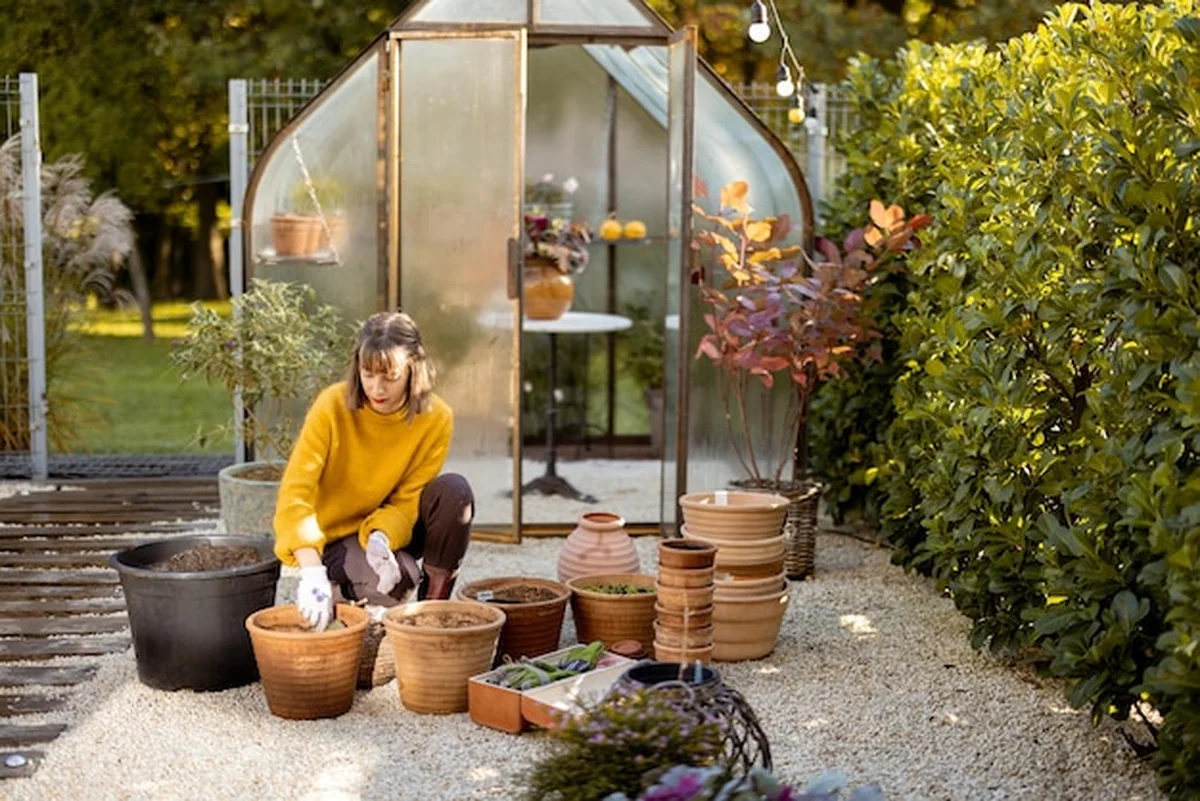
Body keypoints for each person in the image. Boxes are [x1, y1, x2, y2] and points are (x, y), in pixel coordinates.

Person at [272, 310, 474, 630]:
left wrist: (381, 537)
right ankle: (337, 589)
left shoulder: (437, 418)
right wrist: (311, 571)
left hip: (389, 531)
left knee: (454, 492)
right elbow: (296, 492)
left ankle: (433, 611)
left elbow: (408, 499)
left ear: (413, 370)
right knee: (400, 582)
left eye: (390, 377)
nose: (377, 389)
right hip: (334, 539)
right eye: (368, 374)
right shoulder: (332, 405)